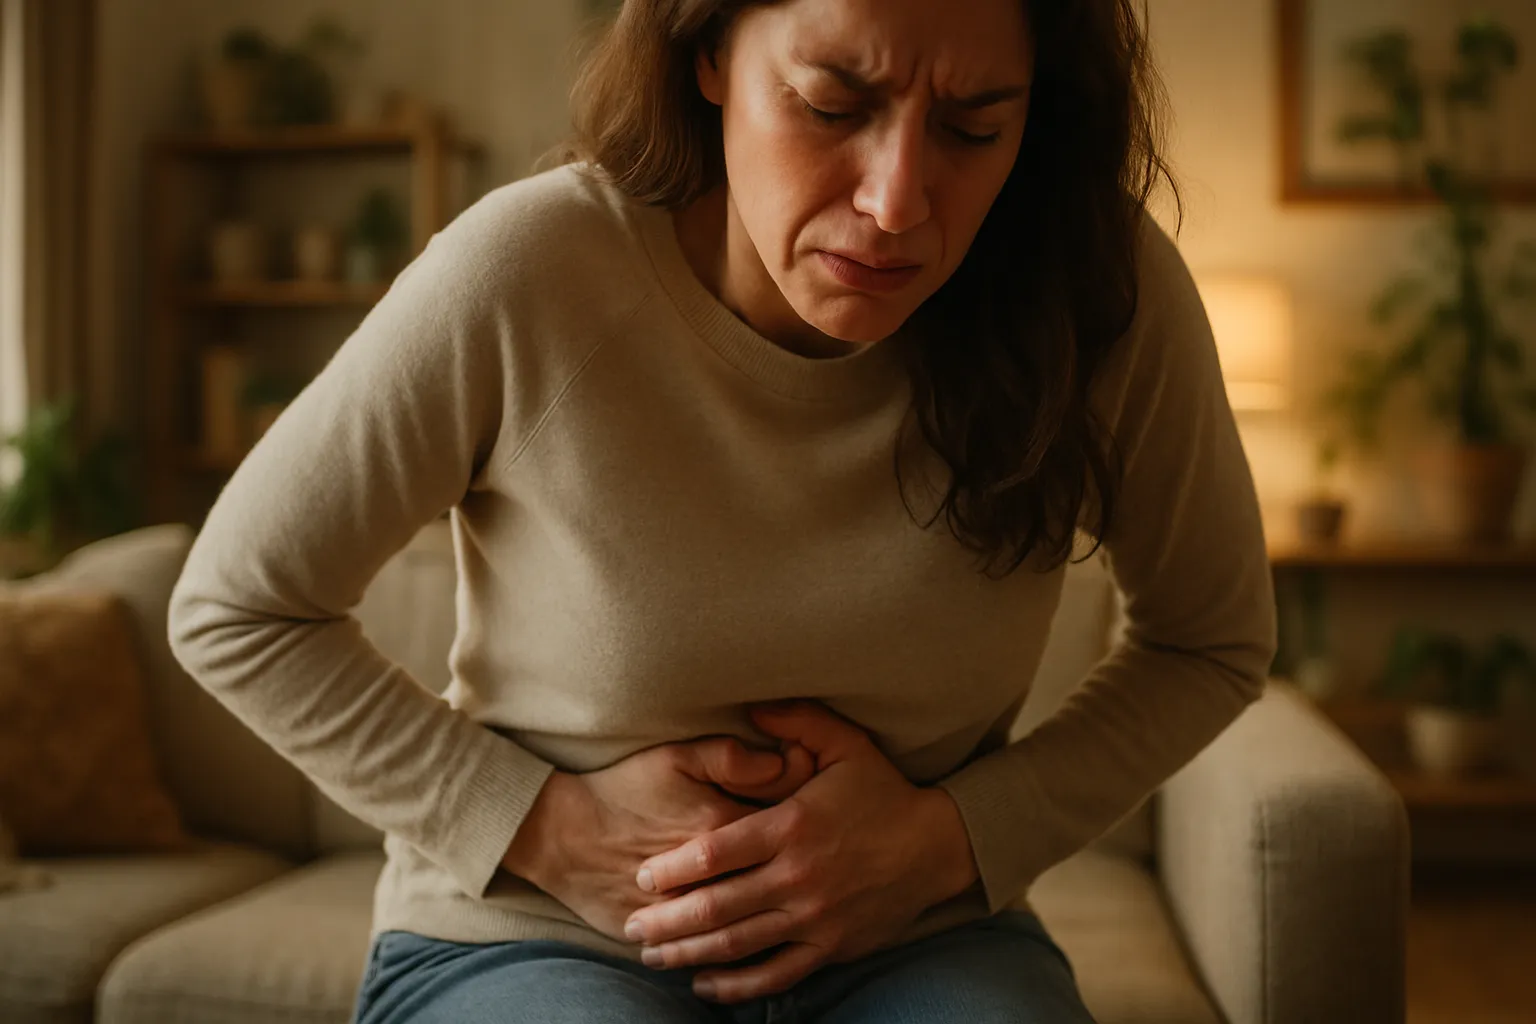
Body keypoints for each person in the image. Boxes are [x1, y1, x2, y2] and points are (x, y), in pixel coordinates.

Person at [166, 0, 1277, 1020]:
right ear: (708, 53)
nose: (896, 202)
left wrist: (950, 841)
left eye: (974, 128)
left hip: (918, 936)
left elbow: (1211, 640)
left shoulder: (1102, 291)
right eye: (831, 105)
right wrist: (548, 830)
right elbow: (237, 607)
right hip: (533, 935)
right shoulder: (527, 273)